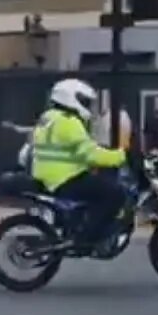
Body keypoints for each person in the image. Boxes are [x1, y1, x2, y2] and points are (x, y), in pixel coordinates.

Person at [29, 79, 128, 253]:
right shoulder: (69, 122)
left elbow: (76, 149)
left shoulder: (48, 118)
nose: (87, 106)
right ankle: (87, 237)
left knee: (99, 186)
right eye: (84, 101)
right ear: (70, 97)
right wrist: (122, 156)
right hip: (64, 178)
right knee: (115, 193)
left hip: (48, 175)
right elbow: (90, 155)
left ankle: (81, 225)